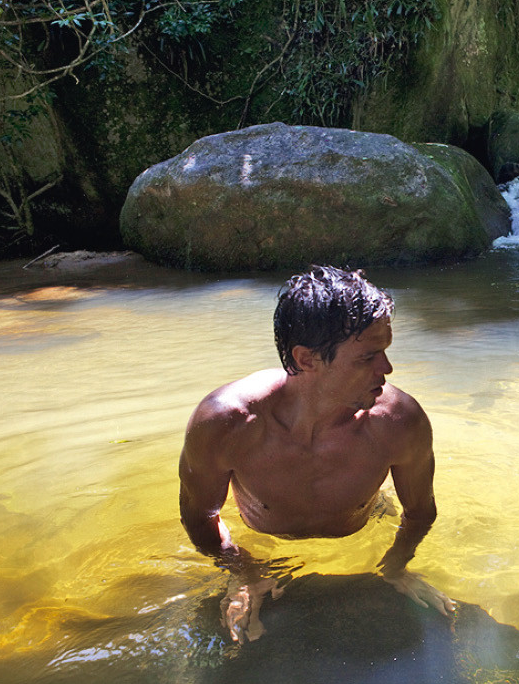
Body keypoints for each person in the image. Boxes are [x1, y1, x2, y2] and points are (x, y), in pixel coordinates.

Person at [179, 264, 455, 643]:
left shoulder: (397, 422)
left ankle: (378, 503)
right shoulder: (227, 424)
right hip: (262, 536)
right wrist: (244, 573)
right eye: (367, 358)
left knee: (381, 507)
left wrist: (396, 567)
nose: (387, 368)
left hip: (363, 520)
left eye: (385, 352)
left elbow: (421, 511)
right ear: (306, 359)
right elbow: (199, 516)